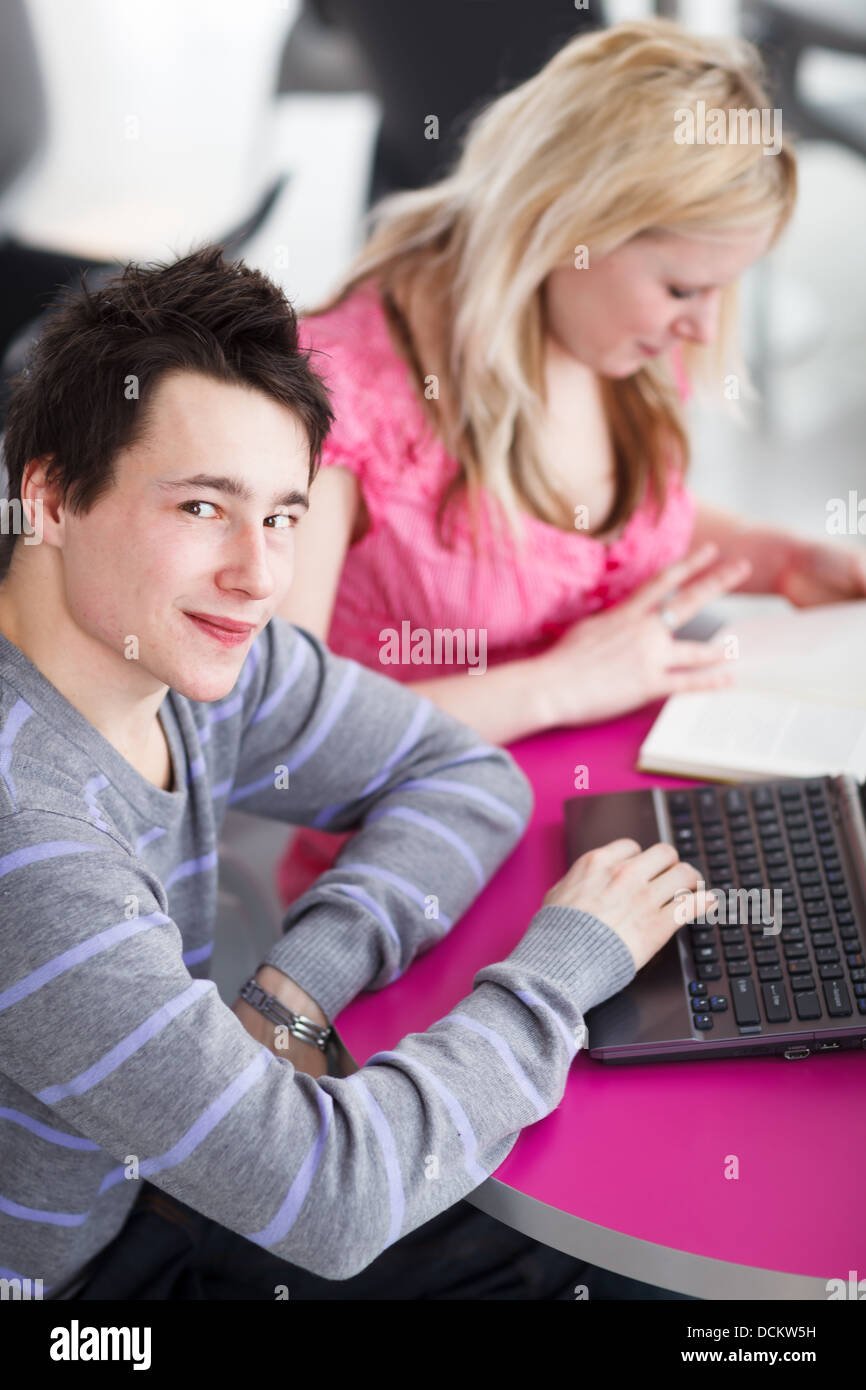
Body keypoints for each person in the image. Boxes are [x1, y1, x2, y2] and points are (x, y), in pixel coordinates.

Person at [0, 244, 709, 1300]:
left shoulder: (187, 649)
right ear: (51, 501)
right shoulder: (35, 853)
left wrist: (295, 989)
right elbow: (334, 1198)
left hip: (167, 1177)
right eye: (201, 508)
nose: (257, 575)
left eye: (283, 514)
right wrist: (566, 966)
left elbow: (461, 773)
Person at [273, 18, 866, 909]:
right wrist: (562, 684)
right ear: (566, 224)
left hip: (604, 803)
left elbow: (592, 533)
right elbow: (285, 744)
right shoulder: (336, 392)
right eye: (682, 289)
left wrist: (778, 560)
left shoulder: (608, 332)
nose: (703, 328)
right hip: (411, 861)